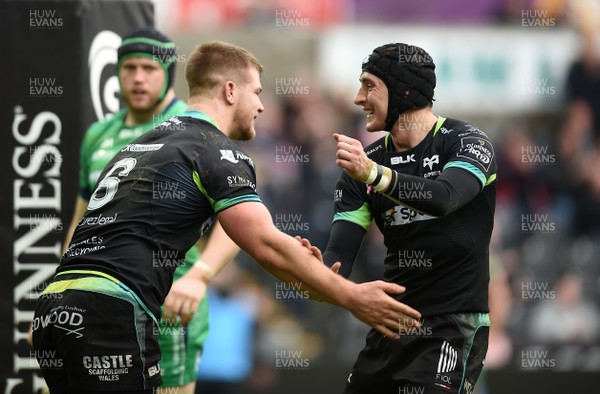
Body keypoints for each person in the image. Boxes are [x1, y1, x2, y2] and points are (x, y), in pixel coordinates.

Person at [32, 41, 422, 394]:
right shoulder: (217, 151)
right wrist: (354, 297)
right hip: (110, 314)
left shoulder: (142, 143)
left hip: (53, 311)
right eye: (257, 93)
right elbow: (267, 246)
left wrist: (310, 277)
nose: (262, 106)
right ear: (230, 91)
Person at [57, 27, 241, 394]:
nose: (138, 78)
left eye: (150, 68)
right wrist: (57, 293)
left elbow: (239, 220)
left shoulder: (196, 128)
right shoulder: (98, 136)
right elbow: (80, 221)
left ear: (169, 73)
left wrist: (199, 276)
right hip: (99, 302)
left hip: (169, 307)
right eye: (129, 68)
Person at [324, 43, 496, 393]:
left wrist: (373, 174)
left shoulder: (465, 142)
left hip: (450, 328)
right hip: (389, 328)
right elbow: (338, 258)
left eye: (369, 85)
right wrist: (315, 266)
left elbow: (445, 198)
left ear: (403, 90)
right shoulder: (364, 166)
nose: (359, 98)